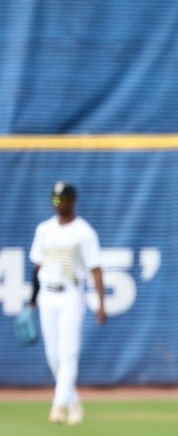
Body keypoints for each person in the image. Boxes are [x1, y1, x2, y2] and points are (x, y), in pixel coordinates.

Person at [28, 181, 106, 425]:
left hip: (71, 294)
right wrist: (32, 301)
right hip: (47, 296)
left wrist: (101, 303)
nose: (58, 203)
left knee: (68, 352)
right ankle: (74, 404)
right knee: (53, 356)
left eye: (62, 199)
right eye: (55, 199)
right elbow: (37, 265)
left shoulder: (84, 232)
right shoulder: (44, 230)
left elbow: (95, 268)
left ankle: (59, 406)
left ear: (73, 200)